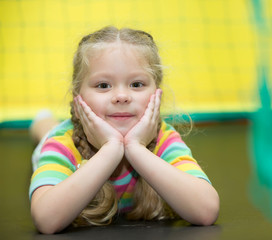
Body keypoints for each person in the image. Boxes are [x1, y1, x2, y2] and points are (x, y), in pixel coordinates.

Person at [29, 26, 219, 234]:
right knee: (46, 132)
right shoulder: (63, 143)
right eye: (103, 85)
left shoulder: (164, 138)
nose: (121, 96)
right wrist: (111, 149)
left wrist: (135, 148)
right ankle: (41, 121)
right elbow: (46, 220)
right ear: (77, 97)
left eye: (136, 84)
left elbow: (206, 211)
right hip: (60, 137)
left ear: (157, 93)